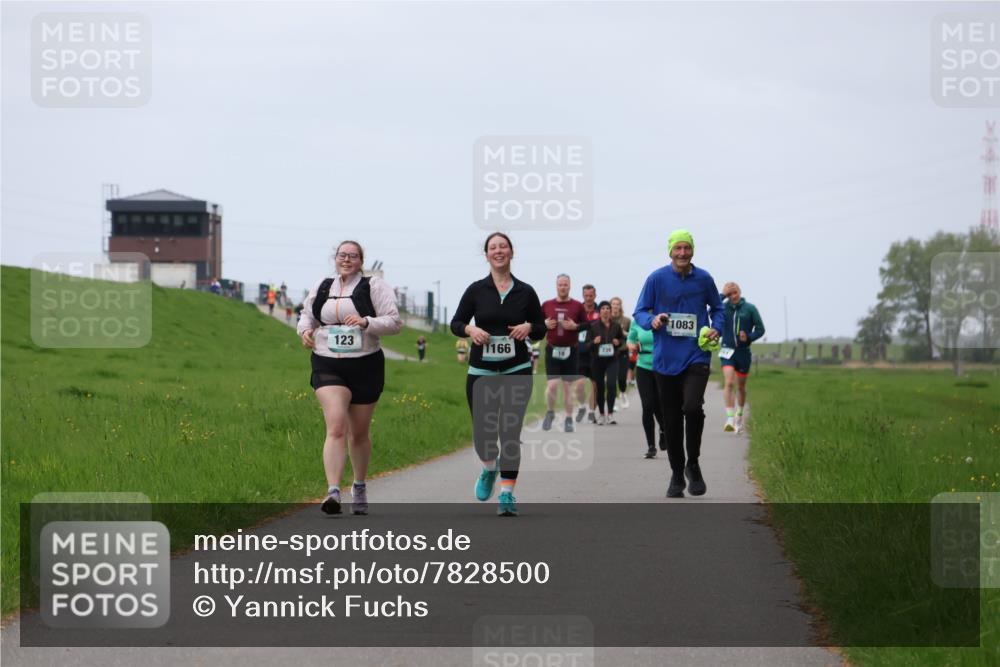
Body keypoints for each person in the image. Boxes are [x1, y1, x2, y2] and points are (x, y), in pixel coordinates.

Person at [298, 240, 402, 515]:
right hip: (327, 362)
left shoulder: (374, 286)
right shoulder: (322, 285)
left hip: (365, 365)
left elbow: (394, 322)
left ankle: (359, 485)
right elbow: (307, 315)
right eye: (342, 255)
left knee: (358, 434)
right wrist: (305, 331)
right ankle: (333, 491)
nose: (346, 260)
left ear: (361, 261)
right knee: (336, 426)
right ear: (335, 258)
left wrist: (367, 322)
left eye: (353, 256)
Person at [451, 232, 546, 517]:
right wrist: (471, 330)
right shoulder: (476, 290)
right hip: (481, 370)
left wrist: (529, 327)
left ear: (511, 252)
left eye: (503, 246)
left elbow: (541, 327)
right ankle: (489, 468)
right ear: (487, 255)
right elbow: (456, 323)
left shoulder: (525, 292)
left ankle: (507, 493)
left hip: (517, 369)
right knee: (483, 433)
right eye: (493, 247)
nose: (498, 251)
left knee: (510, 432)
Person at [633, 229, 723, 498]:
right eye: (677, 248)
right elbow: (640, 311)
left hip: (696, 353)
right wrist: (653, 321)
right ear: (670, 251)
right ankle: (676, 473)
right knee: (671, 420)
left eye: (687, 248)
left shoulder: (704, 278)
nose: (682, 253)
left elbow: (717, 309)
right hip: (665, 358)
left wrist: (716, 327)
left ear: (692, 250)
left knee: (693, 407)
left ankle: (693, 464)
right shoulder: (656, 278)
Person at [540, 274, 587, 433]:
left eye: (565, 285)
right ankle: (550, 412)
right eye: (560, 285)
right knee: (552, 386)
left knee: (568, 387)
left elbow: (587, 325)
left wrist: (575, 327)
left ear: (570, 286)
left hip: (571, 351)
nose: (563, 287)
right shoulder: (546, 304)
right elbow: (537, 324)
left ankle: (568, 418)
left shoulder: (577, 306)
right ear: (556, 286)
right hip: (552, 349)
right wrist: (544, 324)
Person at [719, 282, 765, 433]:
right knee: (729, 383)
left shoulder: (749, 309)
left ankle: (739, 415)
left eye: (735, 293)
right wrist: (721, 295)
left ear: (740, 292)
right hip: (727, 350)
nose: (732, 296)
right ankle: (730, 418)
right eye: (729, 294)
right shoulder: (723, 307)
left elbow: (760, 329)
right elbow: (709, 309)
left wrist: (749, 337)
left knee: (740, 387)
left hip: (743, 352)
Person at [627, 321, 664, 459]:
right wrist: (632, 345)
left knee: (659, 404)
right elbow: (630, 340)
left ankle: (664, 429)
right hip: (643, 366)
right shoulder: (637, 321)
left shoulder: (664, 318)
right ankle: (651, 446)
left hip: (662, 366)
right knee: (647, 405)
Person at [586, 301, 625, 425]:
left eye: (608, 308)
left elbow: (622, 339)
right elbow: (587, 345)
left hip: (612, 360)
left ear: (610, 311)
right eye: (603, 308)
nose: (606, 310)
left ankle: (611, 414)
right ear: (599, 311)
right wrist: (594, 342)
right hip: (597, 361)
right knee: (600, 387)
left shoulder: (616, 326)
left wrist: (618, 342)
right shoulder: (593, 326)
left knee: (612, 385)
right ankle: (602, 414)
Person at [574, 284, 601, 423]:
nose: (589, 298)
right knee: (578, 385)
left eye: (591, 296)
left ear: (595, 295)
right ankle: (582, 406)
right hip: (580, 352)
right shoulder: (578, 310)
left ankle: (592, 412)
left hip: (595, 353)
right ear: (583, 295)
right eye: (586, 296)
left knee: (593, 385)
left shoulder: (599, 311)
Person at [610, 297, 631, 410]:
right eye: (613, 304)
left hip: (623, 352)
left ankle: (623, 393)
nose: (615, 306)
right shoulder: (606, 320)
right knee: (611, 379)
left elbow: (631, 336)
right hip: (610, 353)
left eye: (617, 304)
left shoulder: (626, 320)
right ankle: (613, 401)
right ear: (610, 305)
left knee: (622, 378)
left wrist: (622, 332)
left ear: (620, 306)